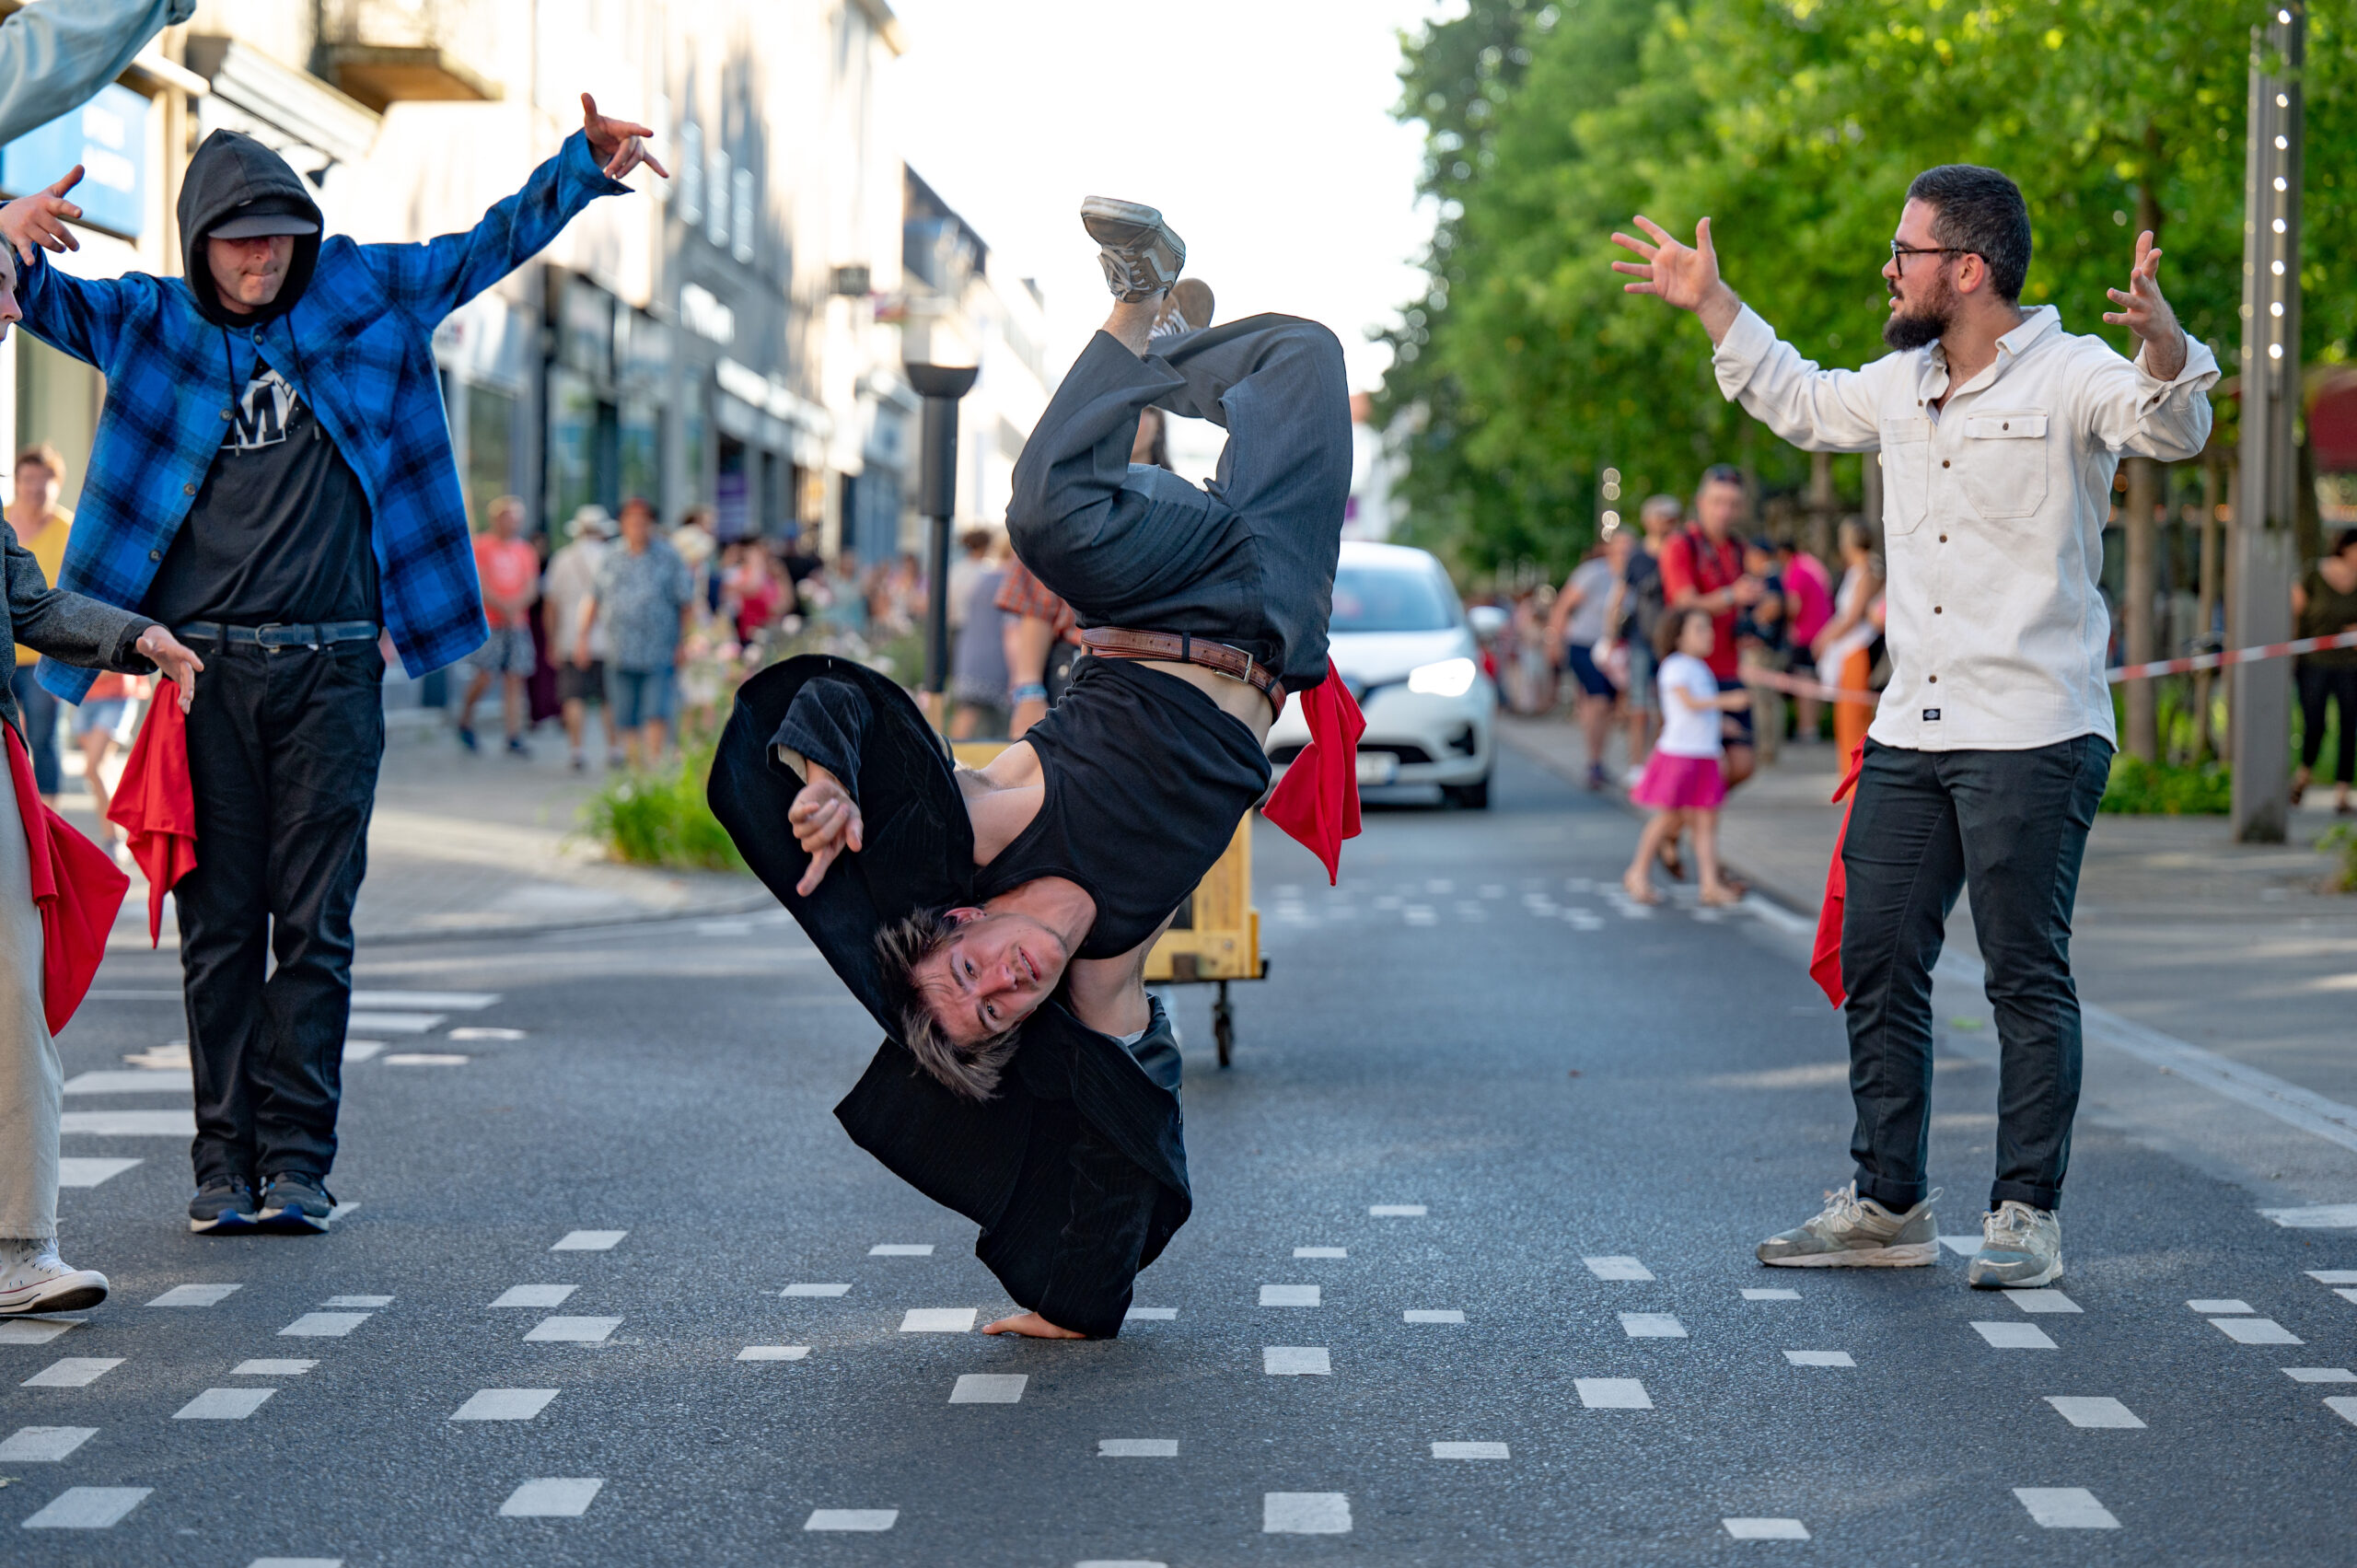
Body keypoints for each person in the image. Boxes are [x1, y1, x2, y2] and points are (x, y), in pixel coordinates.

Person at [6, 95, 665, 1237]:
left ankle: (299, 1163)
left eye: (279, 232)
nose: (264, 254)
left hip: (336, 670)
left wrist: (581, 167)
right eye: (239, 235)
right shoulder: (149, 322)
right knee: (220, 925)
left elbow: (484, 244)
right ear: (198, 240)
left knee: (316, 923)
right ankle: (222, 1164)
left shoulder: (365, 290)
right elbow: (28, 296)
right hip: (201, 674)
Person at [711, 197, 1352, 1342]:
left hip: (1156, 597)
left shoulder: (988, 828)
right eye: (1000, 1008)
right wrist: (1069, 1300)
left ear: (957, 920)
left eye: (969, 972)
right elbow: (1122, 1150)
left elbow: (859, 710)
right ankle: (1151, 374)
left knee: (1045, 509)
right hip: (1271, 609)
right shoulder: (1104, 971)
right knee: (1305, 354)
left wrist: (822, 769)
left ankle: (1135, 306)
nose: (1003, 980)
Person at [1615, 162, 2217, 1286]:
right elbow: (1793, 395)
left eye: (1904, 252)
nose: (1888, 270)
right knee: (1877, 955)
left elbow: (2168, 421)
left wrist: (2167, 343)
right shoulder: (1901, 384)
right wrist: (1710, 301)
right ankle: (1889, 1201)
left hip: (2033, 724)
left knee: (2020, 973)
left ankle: (2025, 1211)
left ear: (1968, 269)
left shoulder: (2074, 372)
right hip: (1912, 725)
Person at [1623, 609, 1748, 907]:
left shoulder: (1699, 668)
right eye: (1699, 629)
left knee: (1707, 820)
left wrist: (1720, 723)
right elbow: (1688, 703)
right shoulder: (1676, 666)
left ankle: (1709, 884)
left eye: (1708, 628)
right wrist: (1727, 701)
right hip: (1680, 754)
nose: (1709, 635)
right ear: (1678, 636)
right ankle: (1637, 871)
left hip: (1703, 754)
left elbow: (1698, 710)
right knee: (1669, 816)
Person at [1659, 465, 1762, 791]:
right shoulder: (1681, 544)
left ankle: (1693, 812)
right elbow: (1683, 603)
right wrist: (1732, 595)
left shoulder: (1739, 548)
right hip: (1692, 671)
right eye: (1718, 501)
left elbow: (1746, 604)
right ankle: (1676, 826)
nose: (1725, 511)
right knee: (1692, 765)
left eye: (1732, 503)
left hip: (1730, 667)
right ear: (1701, 502)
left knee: (1743, 763)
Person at [579, 496, 691, 771]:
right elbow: (594, 598)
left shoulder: (668, 555)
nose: (637, 525)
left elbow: (685, 602)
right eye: (632, 519)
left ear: (651, 523)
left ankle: (654, 766)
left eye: (643, 519)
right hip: (619, 648)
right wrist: (582, 637)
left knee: (656, 710)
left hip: (659, 648)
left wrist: (683, 642)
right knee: (625, 714)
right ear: (623, 523)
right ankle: (635, 771)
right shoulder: (611, 556)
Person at [6, 446, 72, 799]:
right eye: (28, 479)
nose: (35, 488)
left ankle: (50, 817)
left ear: (57, 484)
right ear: (16, 482)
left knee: (43, 737)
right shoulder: (2, 523)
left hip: (44, 657)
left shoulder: (67, 530)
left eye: (44, 480)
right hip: (4, 652)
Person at [457, 495, 540, 758]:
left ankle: (513, 735)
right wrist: (500, 605)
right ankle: (466, 719)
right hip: (490, 622)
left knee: (515, 677)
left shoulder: (525, 550)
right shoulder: (481, 546)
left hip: (516, 623)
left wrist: (515, 606)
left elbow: (531, 585)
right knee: (485, 675)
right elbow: (478, 582)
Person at [1607, 494, 1679, 778]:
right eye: (1661, 516)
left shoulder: (1679, 550)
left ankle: (1661, 765)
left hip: (1670, 639)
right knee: (1638, 704)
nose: (1666, 523)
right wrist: (1611, 634)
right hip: (1641, 637)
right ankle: (1637, 764)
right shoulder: (1637, 556)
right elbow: (1621, 594)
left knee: (1668, 705)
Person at [1546, 538, 1623, 789]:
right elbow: (1563, 607)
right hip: (1583, 644)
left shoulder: (1631, 576)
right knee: (1598, 701)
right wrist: (1554, 642)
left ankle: (1599, 760)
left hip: (1613, 649)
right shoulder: (1593, 573)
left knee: (1607, 706)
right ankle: (1593, 762)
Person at [544, 504, 616, 772]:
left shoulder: (562, 559)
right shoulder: (612, 557)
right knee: (609, 696)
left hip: (571, 637)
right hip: (609, 638)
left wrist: (552, 638)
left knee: (574, 696)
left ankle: (577, 750)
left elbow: (551, 603)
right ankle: (614, 748)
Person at [2291, 528, 2357, 814]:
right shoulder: (2313, 575)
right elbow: (2295, 614)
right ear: (2346, 548)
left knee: (2349, 727)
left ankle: (2342, 793)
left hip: (2350, 665)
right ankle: (2302, 776)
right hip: (2313, 663)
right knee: (2315, 724)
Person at [1813, 520, 1884, 763]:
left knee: (1854, 716)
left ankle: (1855, 778)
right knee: (1844, 716)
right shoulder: (1856, 570)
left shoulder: (1867, 571)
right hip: (1846, 649)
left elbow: (1852, 617)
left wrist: (1825, 637)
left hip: (1858, 647)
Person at [948, 541, 1012, 741]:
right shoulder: (1010, 582)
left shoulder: (979, 578)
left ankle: (949, 761)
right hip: (998, 656)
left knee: (967, 712)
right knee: (1005, 722)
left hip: (969, 649)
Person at [1777, 539, 1835, 741]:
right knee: (1812, 682)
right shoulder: (1811, 564)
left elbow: (1794, 605)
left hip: (1807, 634)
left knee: (1804, 683)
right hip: (1821, 630)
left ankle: (1806, 729)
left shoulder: (1797, 569)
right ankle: (1812, 727)